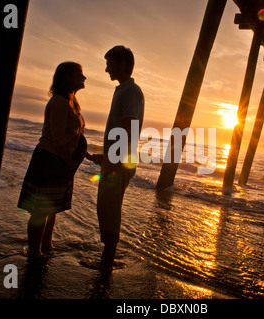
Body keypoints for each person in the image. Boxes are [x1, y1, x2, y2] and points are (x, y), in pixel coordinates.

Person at [18, 61, 94, 258]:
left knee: (51, 207)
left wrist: (84, 154)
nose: (84, 78)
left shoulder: (72, 101)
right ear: (68, 77)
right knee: (41, 209)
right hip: (49, 160)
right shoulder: (59, 101)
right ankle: (35, 251)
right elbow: (58, 138)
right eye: (80, 74)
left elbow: (73, 134)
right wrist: (68, 161)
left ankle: (47, 244)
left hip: (59, 159)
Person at [96, 45, 145, 269]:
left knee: (110, 207)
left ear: (123, 64)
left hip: (120, 160)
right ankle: (107, 257)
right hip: (115, 158)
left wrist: (114, 159)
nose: (107, 69)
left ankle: (107, 262)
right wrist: (104, 156)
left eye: (110, 64)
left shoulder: (130, 92)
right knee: (107, 206)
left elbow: (129, 127)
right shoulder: (122, 90)